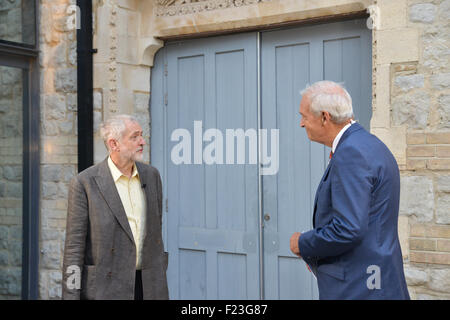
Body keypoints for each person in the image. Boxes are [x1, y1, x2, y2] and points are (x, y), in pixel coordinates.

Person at [289, 81, 410, 300]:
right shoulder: (368, 144)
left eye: (304, 116)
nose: (301, 123)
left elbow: (348, 229)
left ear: (325, 117)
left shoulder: (351, 153)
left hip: (360, 287)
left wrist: (304, 243)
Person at [62, 114, 169, 300]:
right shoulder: (84, 183)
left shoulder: (152, 176)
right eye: (134, 137)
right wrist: (71, 296)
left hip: (150, 286)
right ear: (114, 144)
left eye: (141, 135)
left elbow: (155, 231)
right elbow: (74, 249)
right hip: (106, 289)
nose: (142, 141)